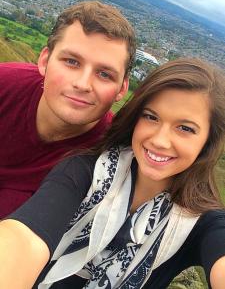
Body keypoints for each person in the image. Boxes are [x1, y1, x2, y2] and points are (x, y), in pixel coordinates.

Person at [1, 57, 225, 289]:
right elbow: (25, 239)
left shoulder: (202, 221)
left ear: (208, 141)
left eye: (185, 128)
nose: (160, 140)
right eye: (151, 117)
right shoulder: (85, 171)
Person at [0, 0, 136, 218]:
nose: (82, 84)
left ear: (122, 88)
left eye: (104, 74)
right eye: (72, 62)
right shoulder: (5, 84)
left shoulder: (110, 160)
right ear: (45, 60)